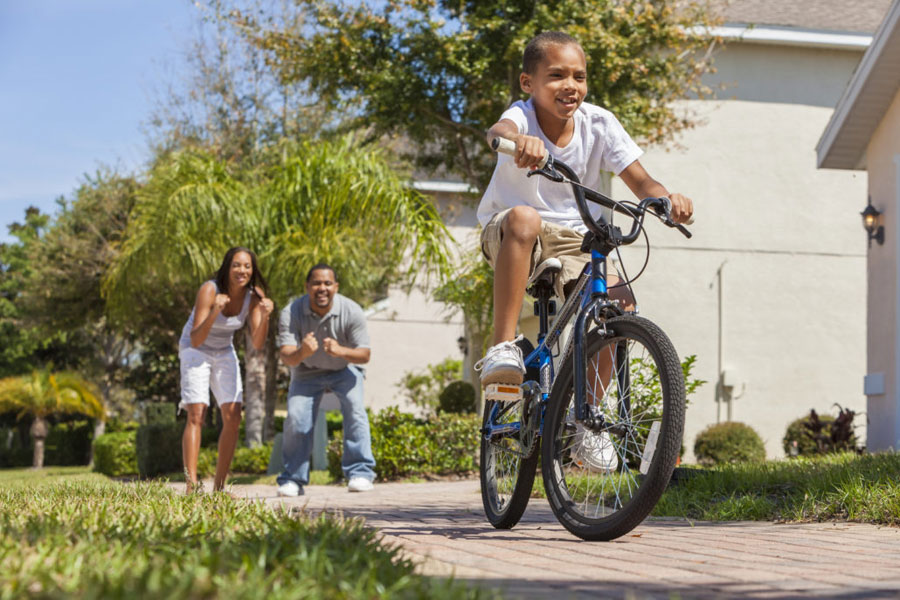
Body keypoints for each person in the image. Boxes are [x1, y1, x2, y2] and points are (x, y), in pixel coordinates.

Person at [475, 30, 694, 388]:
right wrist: (517, 142)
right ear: (528, 82)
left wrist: (668, 199)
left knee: (618, 302)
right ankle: (502, 346)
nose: (570, 85)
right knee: (525, 217)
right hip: (511, 233)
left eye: (579, 76)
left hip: (572, 238)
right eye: (557, 75)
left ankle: (589, 424)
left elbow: (641, 182)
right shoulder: (522, 115)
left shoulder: (599, 124)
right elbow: (496, 131)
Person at [179, 246, 274, 493]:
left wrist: (265, 316)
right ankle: (191, 486)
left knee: (233, 418)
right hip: (195, 349)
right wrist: (215, 311)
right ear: (227, 267)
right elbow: (197, 338)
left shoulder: (254, 296)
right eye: (236, 265)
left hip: (223, 351)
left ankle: (219, 488)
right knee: (196, 413)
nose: (241, 270)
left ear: (252, 271)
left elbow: (257, 342)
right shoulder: (210, 290)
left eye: (247, 266)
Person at [276, 263, 376, 496]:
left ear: (336, 287)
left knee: (356, 410)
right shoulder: (291, 312)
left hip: (344, 369)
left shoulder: (352, 310)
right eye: (316, 283)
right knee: (296, 418)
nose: (322, 288)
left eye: (327, 283)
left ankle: (360, 473)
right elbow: (286, 356)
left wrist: (341, 350)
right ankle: (292, 479)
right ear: (307, 287)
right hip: (306, 371)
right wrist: (303, 352)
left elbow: (365, 355)